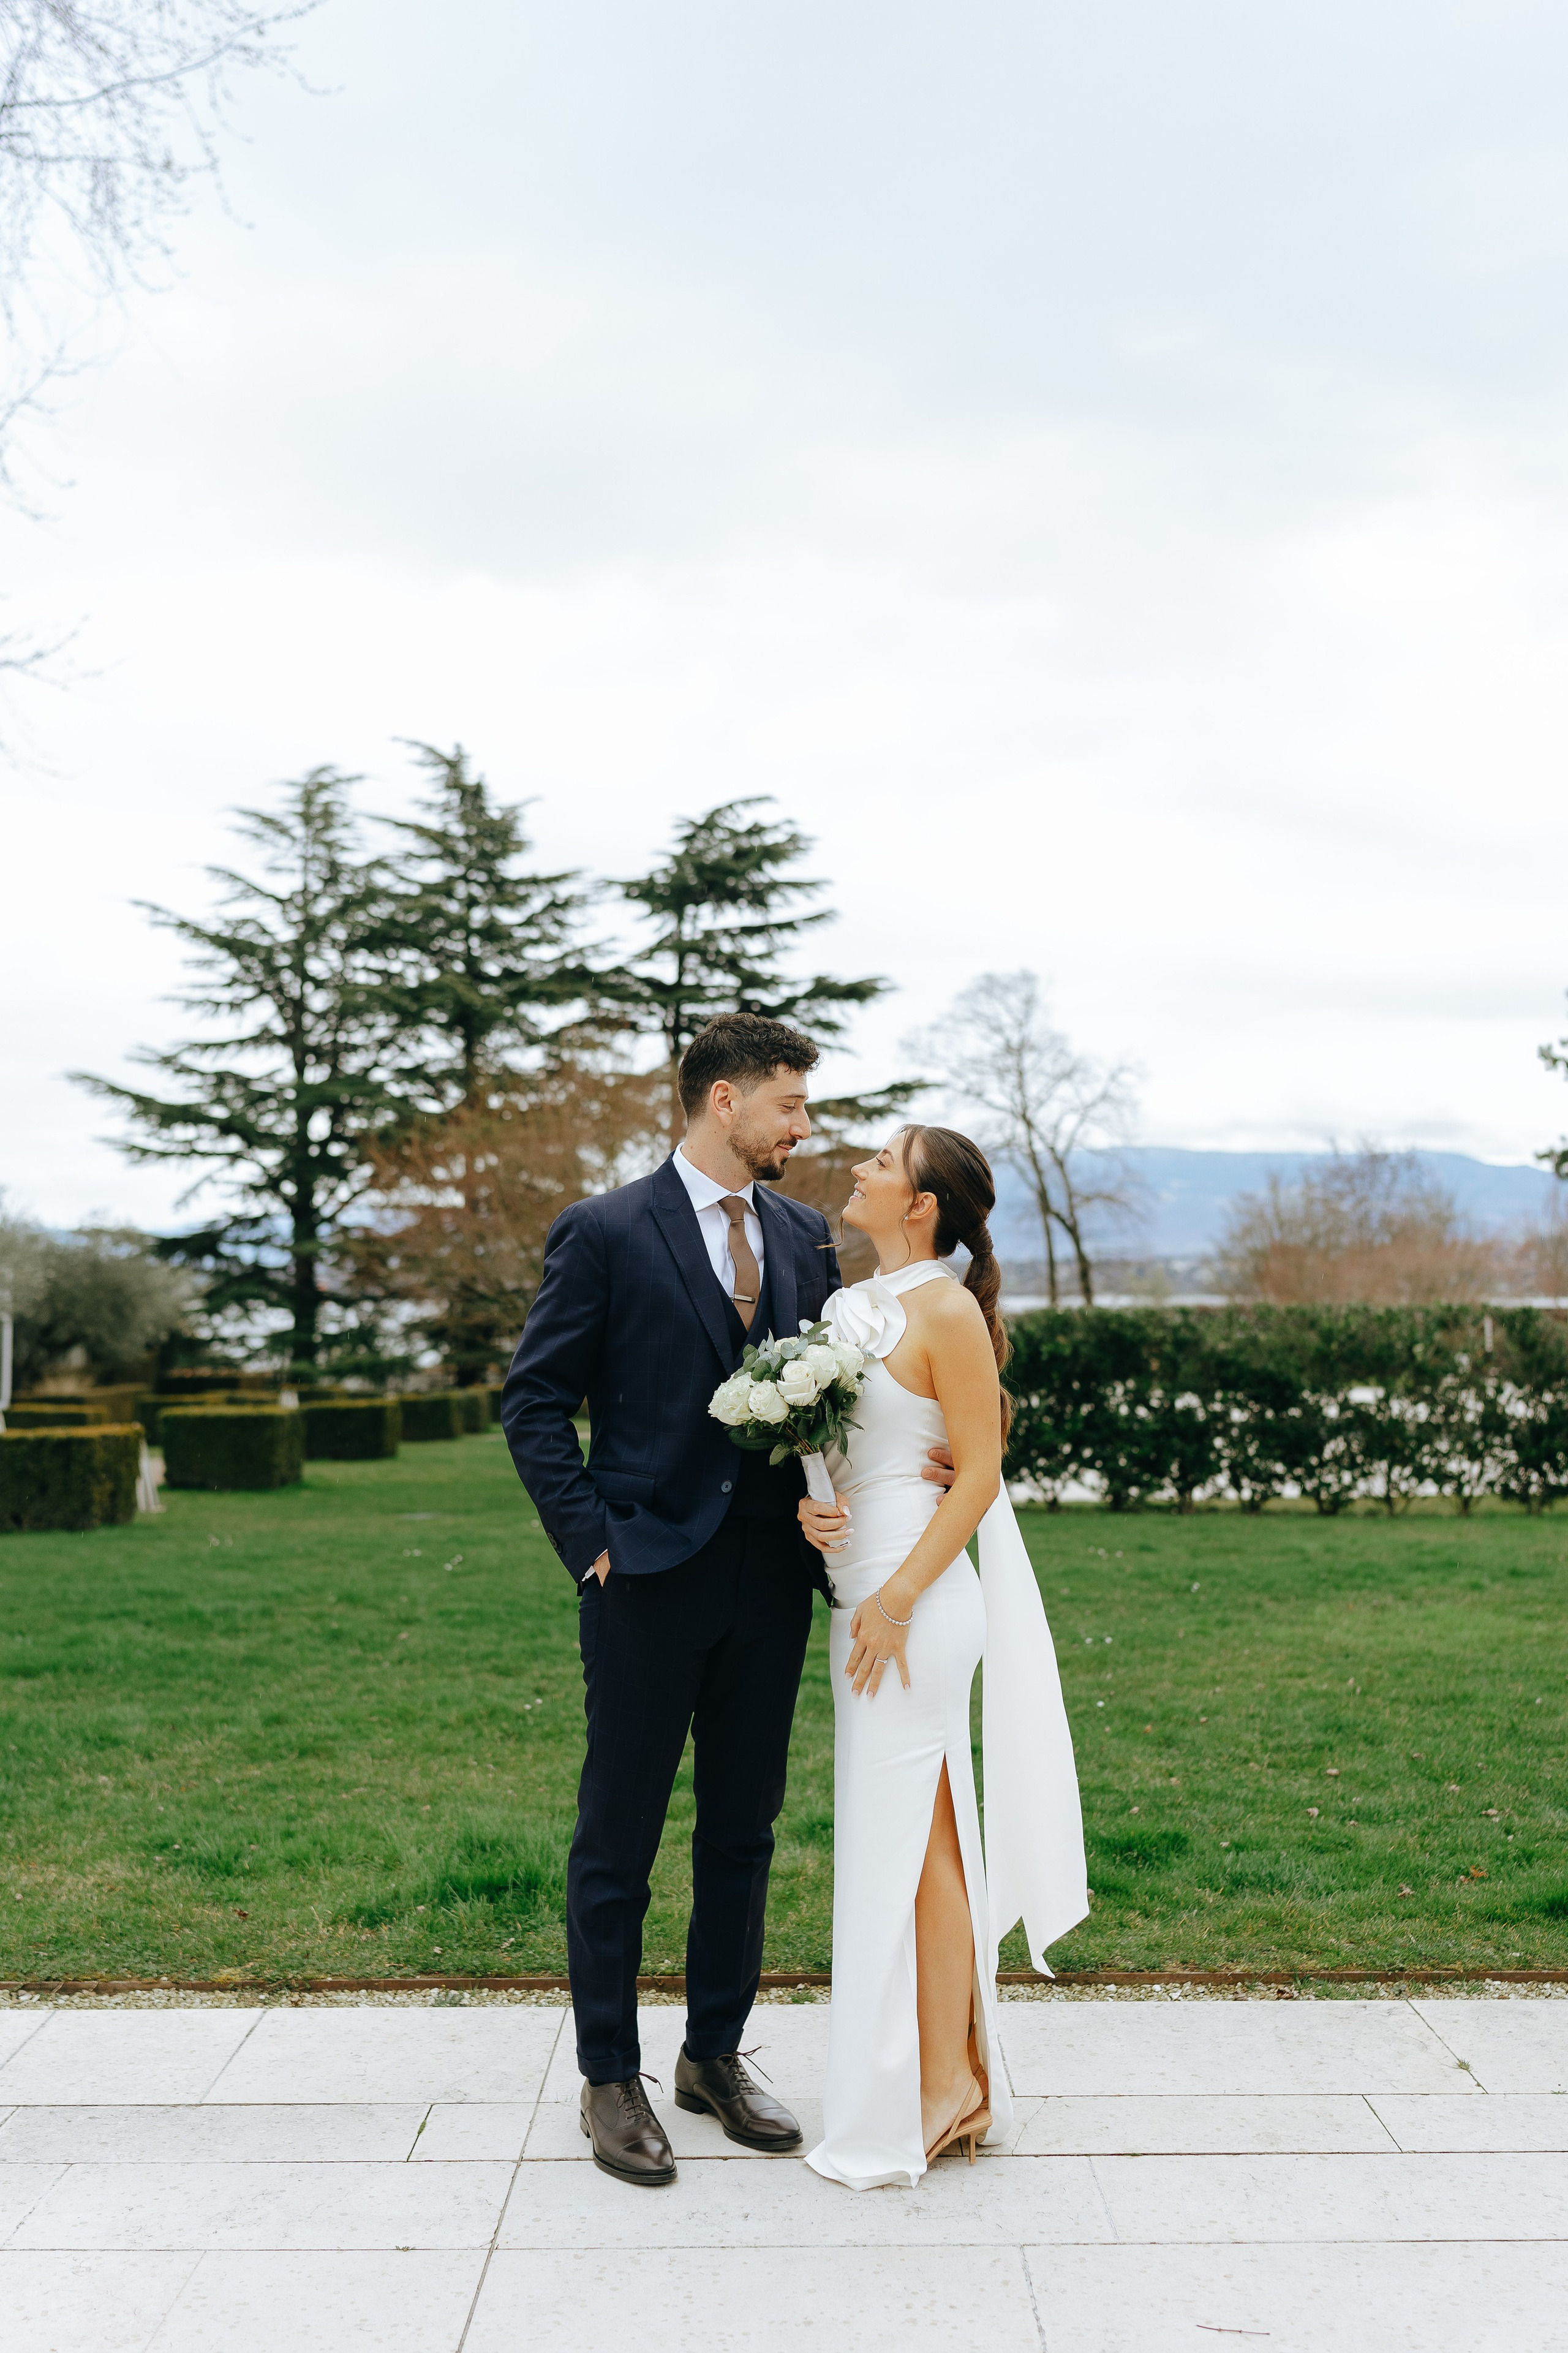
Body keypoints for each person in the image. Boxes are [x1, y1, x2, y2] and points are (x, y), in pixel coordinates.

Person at [501, 1013, 956, 2188]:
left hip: (772, 1581)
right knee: (620, 1835)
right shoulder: (604, 1230)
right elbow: (534, 1402)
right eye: (791, 1106)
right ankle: (611, 2075)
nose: (805, 1128)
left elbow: (843, 1393)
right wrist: (593, 1545)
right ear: (724, 1102)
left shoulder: (807, 1236)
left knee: (743, 1832)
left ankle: (711, 2055)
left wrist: (922, 1459)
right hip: (644, 1581)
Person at [798, 1125, 1088, 2191]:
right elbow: (848, 1457)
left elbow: (975, 1474)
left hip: (917, 1602)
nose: (863, 1170)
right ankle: (938, 2076)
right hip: (859, 1594)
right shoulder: (842, 1313)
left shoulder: (949, 1309)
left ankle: (944, 2085)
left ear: (921, 1205)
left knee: (925, 1847)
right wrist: (812, 1511)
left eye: (883, 1162)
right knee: (897, 1843)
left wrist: (900, 1599)